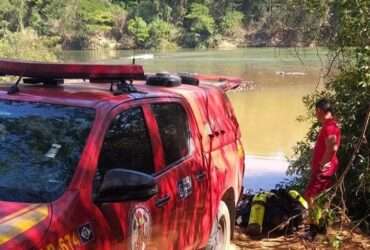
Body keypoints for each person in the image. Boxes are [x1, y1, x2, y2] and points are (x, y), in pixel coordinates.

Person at [303, 98, 341, 240]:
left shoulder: (329, 127)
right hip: (327, 168)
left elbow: (332, 147)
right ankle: (322, 227)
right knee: (320, 198)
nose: (315, 115)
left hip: (323, 170)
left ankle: (314, 230)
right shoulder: (332, 124)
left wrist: (322, 164)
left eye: (316, 112)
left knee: (310, 196)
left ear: (319, 111)